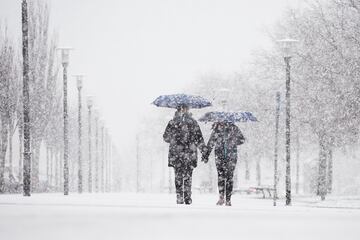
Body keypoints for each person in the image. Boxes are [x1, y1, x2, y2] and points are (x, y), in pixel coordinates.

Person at [163, 105, 206, 204]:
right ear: (188, 110)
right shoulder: (193, 122)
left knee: (178, 175)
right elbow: (199, 139)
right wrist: (204, 151)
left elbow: (166, 137)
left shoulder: (172, 122)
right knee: (188, 176)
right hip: (190, 154)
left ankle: (179, 196)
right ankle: (187, 196)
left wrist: (174, 138)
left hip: (176, 154)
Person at [202, 122, 245, 206]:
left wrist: (232, 140)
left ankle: (228, 199)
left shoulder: (233, 128)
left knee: (229, 177)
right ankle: (221, 198)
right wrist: (206, 155)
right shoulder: (217, 129)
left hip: (231, 156)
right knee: (221, 177)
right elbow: (211, 143)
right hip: (219, 156)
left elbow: (242, 140)